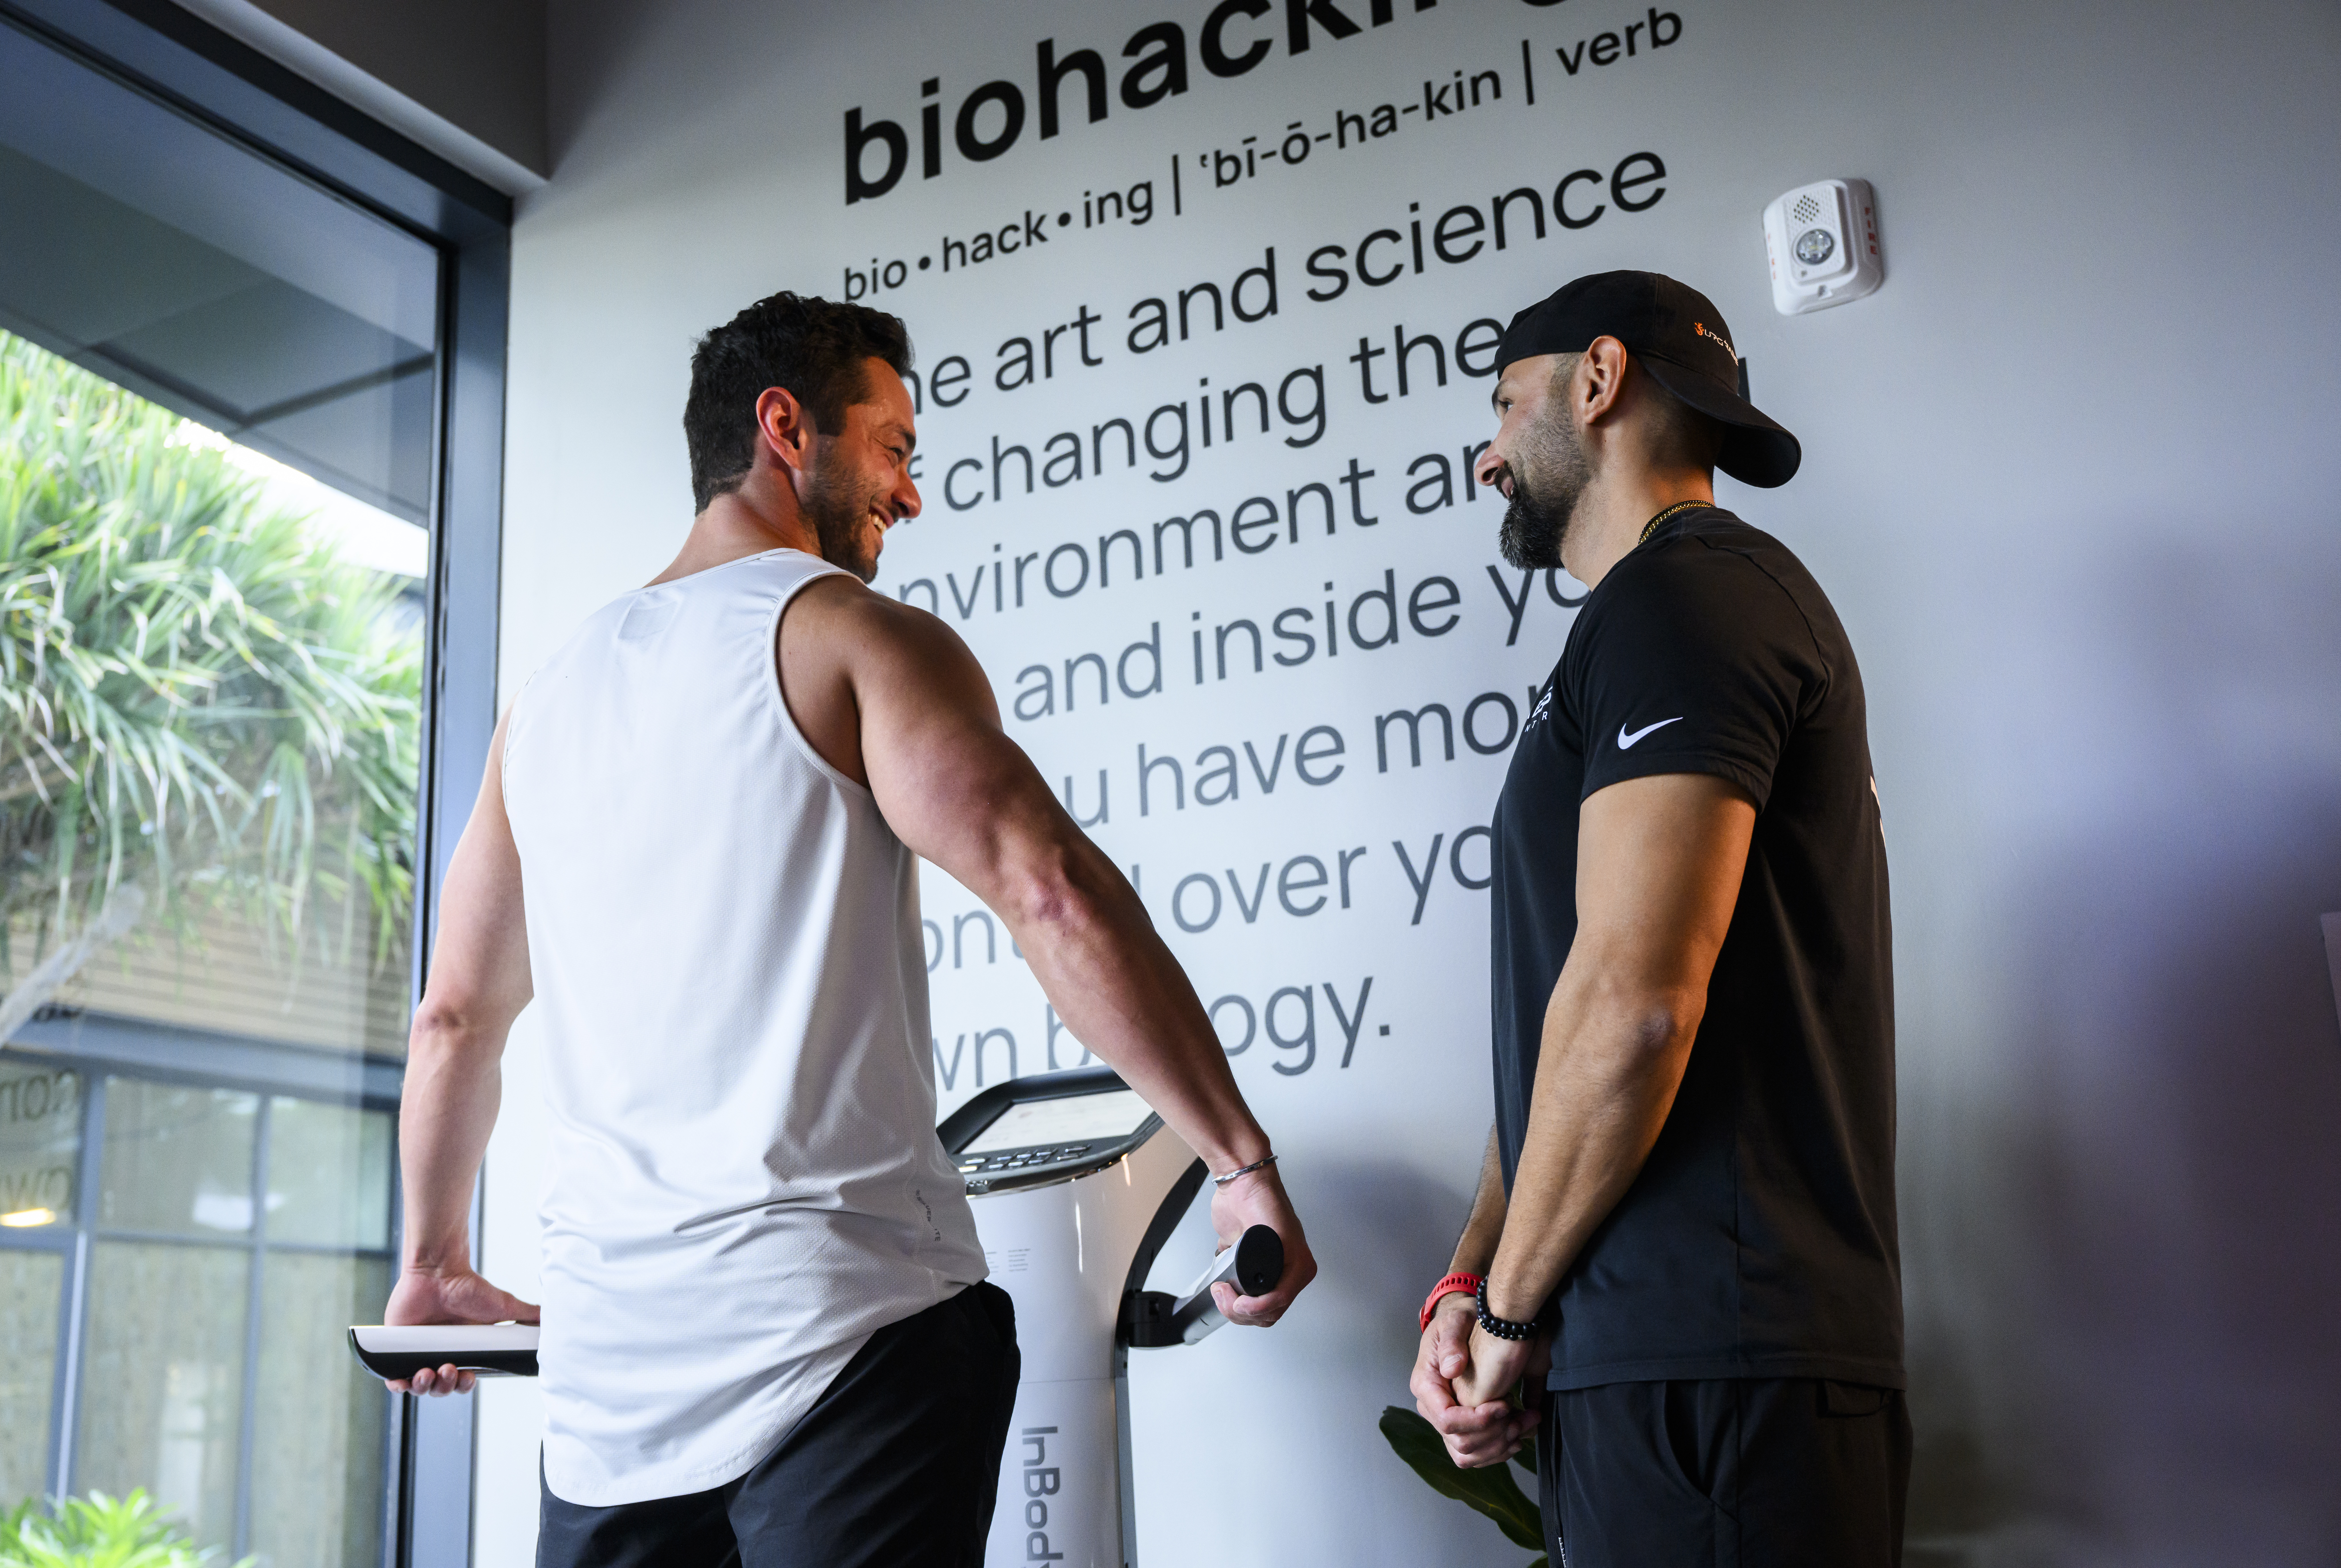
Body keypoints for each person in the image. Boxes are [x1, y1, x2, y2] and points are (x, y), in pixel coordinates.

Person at [382, 292, 1315, 1568]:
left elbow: (454, 1018)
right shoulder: (847, 635)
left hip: (612, 1401)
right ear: (786, 428)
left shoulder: (543, 706)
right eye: (894, 448)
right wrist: (1238, 1160)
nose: (911, 494)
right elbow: (1045, 886)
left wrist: (433, 1257)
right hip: (849, 1345)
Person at [1408, 272, 1906, 1565]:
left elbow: (1636, 1003)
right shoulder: (1641, 624)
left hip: (1717, 1375)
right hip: (1653, 1371)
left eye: (1507, 406)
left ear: (1599, 379)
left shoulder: (1690, 598)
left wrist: (1511, 1314)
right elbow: (1569, 1024)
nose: (1487, 455)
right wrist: (1474, 1284)